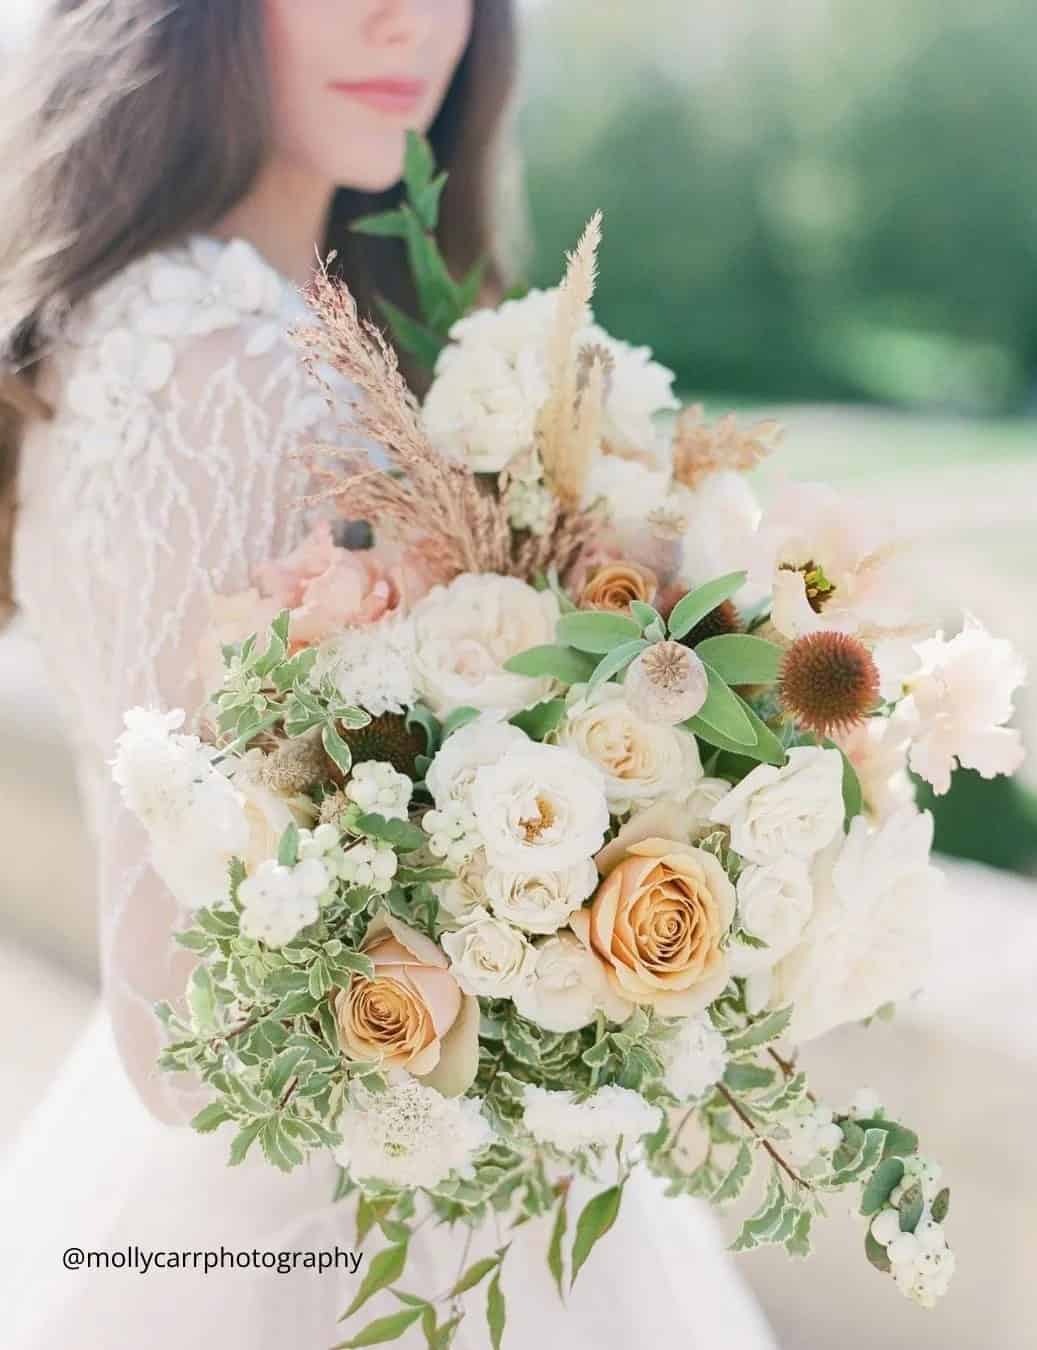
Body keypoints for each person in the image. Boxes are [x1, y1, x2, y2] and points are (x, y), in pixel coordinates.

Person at [0, 3, 777, 1346]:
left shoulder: (232, 322)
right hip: (336, 1247)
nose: (403, 20)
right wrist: (558, 932)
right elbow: (179, 1014)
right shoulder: (228, 366)